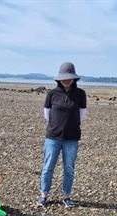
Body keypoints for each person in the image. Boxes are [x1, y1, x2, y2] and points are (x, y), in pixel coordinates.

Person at [38, 62, 87, 208]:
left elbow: (82, 114)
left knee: (69, 168)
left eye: (69, 77)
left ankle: (67, 196)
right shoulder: (52, 94)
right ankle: (44, 195)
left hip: (71, 138)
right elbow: (47, 114)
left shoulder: (80, 94)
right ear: (59, 79)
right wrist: (56, 126)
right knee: (48, 167)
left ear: (74, 78)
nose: (66, 80)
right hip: (53, 137)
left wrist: (70, 126)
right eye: (63, 78)